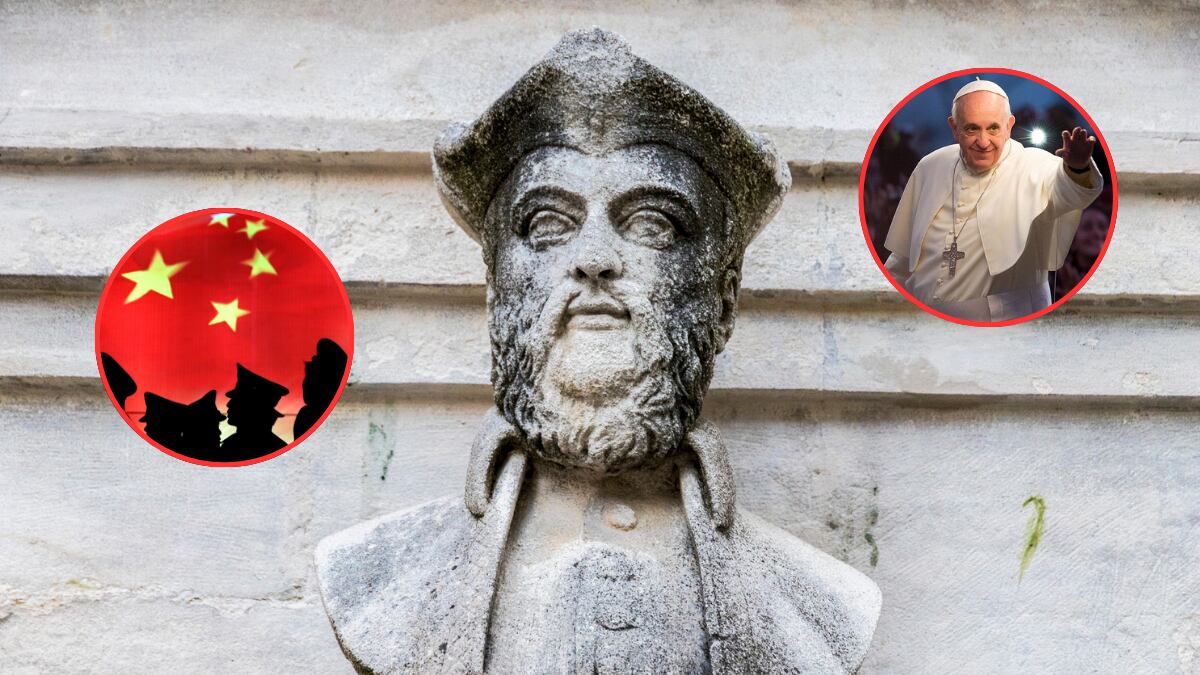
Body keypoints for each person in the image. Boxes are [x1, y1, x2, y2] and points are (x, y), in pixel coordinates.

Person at [316, 29, 879, 674]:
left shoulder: (822, 607)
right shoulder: (378, 580)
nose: (593, 260)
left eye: (651, 225)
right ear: (498, 289)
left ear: (722, 302)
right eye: (549, 225)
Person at [882, 79, 1104, 322]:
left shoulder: (1034, 165)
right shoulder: (930, 166)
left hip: (1004, 335)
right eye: (971, 129)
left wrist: (1078, 167)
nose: (983, 141)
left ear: (1009, 126)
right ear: (954, 128)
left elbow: (1070, 191)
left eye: (993, 129)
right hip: (921, 330)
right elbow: (902, 258)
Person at [220, 363, 288, 460]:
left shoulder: (232, 448)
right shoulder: (279, 450)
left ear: (251, 408)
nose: (229, 404)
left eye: (238, 400)